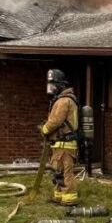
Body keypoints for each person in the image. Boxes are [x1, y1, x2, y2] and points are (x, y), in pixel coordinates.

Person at [40, 69, 80, 205]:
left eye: (53, 85)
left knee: (65, 173)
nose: (51, 89)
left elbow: (56, 120)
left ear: (61, 85)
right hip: (59, 144)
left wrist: (45, 129)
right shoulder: (61, 100)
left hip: (65, 145)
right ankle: (59, 196)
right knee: (58, 172)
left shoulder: (64, 101)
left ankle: (69, 199)